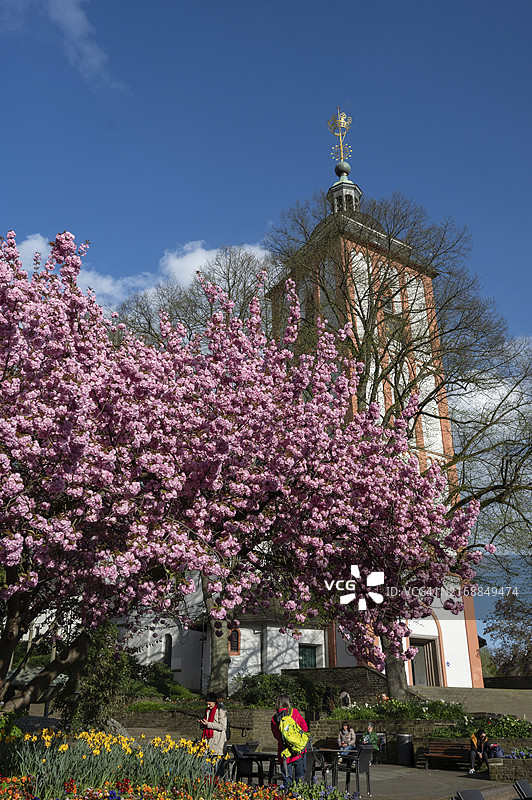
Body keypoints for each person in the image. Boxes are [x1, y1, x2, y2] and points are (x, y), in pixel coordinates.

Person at [271, 693, 308, 788]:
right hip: (297, 751)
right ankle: (299, 794)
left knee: (287, 780)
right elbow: (305, 728)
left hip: (284, 752)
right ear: (288, 702)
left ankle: (287, 794)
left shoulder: (274, 719)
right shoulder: (294, 712)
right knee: (300, 779)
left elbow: (276, 735)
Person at [199, 691, 227, 774]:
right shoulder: (208, 710)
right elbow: (207, 725)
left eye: (209, 704)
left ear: (214, 702)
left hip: (217, 741)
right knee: (206, 768)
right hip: (208, 741)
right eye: (207, 704)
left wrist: (208, 724)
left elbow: (223, 726)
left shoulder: (221, 709)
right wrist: (202, 723)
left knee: (217, 769)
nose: (208, 706)